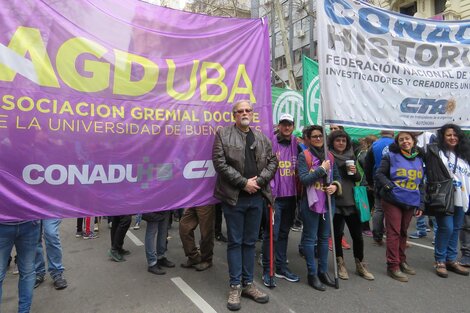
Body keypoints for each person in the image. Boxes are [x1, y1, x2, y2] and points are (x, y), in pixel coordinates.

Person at [212, 99, 277, 311]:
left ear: (252, 114)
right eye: (240, 111)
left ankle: (248, 284)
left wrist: (258, 182)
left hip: (257, 198)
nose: (244, 113)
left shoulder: (261, 137)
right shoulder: (223, 134)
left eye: (248, 110)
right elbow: (219, 162)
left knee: (250, 243)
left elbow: (273, 162)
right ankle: (235, 286)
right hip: (234, 198)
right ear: (234, 115)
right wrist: (243, 183)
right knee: (235, 243)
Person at [375, 131, 425, 282]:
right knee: (394, 232)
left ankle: (402, 261)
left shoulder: (419, 158)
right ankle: (393, 266)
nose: (405, 141)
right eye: (401, 139)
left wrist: (421, 203)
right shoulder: (390, 156)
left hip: (411, 200)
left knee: (404, 232)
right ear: (397, 142)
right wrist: (390, 187)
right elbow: (379, 174)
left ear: (413, 141)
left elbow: (421, 183)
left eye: (407, 139)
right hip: (392, 200)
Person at [297, 125, 341, 291]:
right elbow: (304, 179)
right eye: (314, 136)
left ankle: (323, 271)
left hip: (328, 201)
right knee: (310, 238)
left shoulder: (330, 155)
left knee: (324, 238)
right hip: (311, 202)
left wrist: (335, 187)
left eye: (320, 136)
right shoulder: (304, 156)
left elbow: (337, 177)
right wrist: (321, 170)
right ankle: (312, 273)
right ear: (308, 139)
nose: (317, 139)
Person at [425, 123, 470, 278]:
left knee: (456, 228)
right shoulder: (436, 151)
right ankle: (440, 260)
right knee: (446, 228)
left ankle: (451, 259)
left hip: (461, 197)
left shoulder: (464, 154)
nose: (452, 138)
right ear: (442, 137)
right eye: (449, 135)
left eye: (455, 135)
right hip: (443, 196)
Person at [328, 130, 374, 281]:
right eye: (338, 140)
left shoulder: (351, 156)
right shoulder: (328, 156)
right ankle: (340, 263)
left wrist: (354, 172)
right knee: (337, 234)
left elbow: (358, 178)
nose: (341, 143)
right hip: (336, 201)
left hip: (351, 201)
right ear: (332, 142)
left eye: (343, 140)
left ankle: (360, 264)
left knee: (357, 236)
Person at [261, 113, 300, 288]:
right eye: (283, 124)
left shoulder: (296, 143)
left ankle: (281, 266)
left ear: (293, 126)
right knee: (272, 235)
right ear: (278, 126)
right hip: (274, 198)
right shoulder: (270, 143)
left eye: (289, 124)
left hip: (291, 197)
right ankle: (268, 270)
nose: (286, 127)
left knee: (284, 234)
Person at [0, 221, 40, 313]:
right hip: (6, 224)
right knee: (28, 272)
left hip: (29, 224)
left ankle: (24, 311)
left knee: (28, 272)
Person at [365, 130, 395, 245]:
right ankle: (393, 236)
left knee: (378, 209)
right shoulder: (397, 143)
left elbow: (368, 164)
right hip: (395, 180)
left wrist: (370, 182)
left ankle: (377, 236)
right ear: (392, 133)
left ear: (380, 133)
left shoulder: (374, 145)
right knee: (394, 209)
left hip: (378, 179)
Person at [179, 205, 215, 271]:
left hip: (206, 201)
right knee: (184, 227)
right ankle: (194, 257)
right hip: (194, 200)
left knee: (206, 232)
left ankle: (207, 260)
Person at [35, 219, 68, 290]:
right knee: (34, 238)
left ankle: (56, 272)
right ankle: (38, 272)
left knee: (51, 234)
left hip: (50, 209)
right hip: (33, 208)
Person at [143, 210, 175, 275]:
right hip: (153, 205)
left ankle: (161, 257)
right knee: (152, 231)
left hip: (165, 205)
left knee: (163, 231)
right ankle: (152, 262)